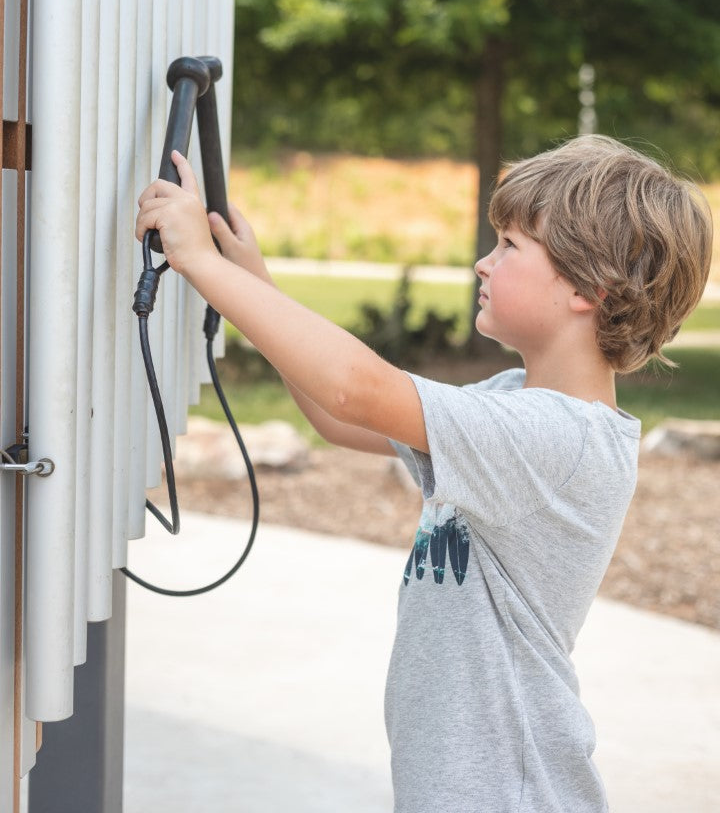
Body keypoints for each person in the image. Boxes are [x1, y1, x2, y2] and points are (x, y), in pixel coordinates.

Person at [136, 134, 713, 812]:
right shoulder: (512, 403)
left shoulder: (557, 440)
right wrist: (253, 284)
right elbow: (339, 416)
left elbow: (358, 388)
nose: (482, 262)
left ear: (589, 288)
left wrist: (201, 264)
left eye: (509, 247)